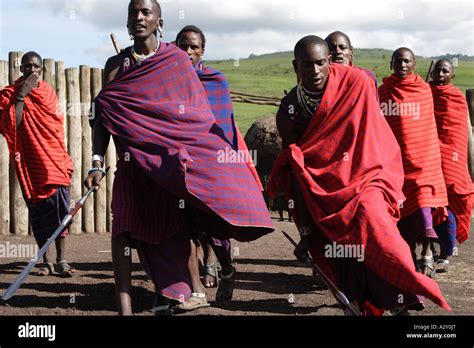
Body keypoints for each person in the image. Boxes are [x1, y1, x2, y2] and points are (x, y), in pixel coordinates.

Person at [85, 0, 273, 316]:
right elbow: (104, 114)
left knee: (174, 231)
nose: (139, 17)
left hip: (167, 167)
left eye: (146, 12)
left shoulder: (174, 61)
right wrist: (96, 162)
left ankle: (183, 292)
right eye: (134, 12)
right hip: (131, 165)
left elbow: (196, 120)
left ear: (160, 21)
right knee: (123, 232)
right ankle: (124, 310)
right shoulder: (115, 65)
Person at [268, 35, 450, 315]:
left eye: (320, 63)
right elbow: (297, 169)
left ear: (329, 62)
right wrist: (304, 231)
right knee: (343, 252)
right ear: (296, 65)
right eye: (307, 65)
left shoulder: (356, 83)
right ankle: (361, 305)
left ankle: (405, 291)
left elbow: (373, 132)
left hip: (367, 175)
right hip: (323, 190)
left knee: (373, 221)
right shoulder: (290, 111)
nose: (314, 71)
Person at [175, 24, 262, 307]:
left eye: (194, 47)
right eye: (182, 46)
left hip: (213, 165)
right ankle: (196, 289)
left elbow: (224, 129)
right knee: (185, 226)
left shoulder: (216, 81)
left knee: (217, 230)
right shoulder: (166, 81)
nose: (187, 52)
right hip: (180, 165)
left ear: (202, 51)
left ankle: (227, 270)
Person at [0, 51, 75, 277]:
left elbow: (55, 127)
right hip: (30, 163)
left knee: (62, 209)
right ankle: (46, 261)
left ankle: (62, 260)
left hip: (54, 159)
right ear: (20, 69)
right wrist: (21, 96)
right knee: (39, 212)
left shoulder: (48, 94)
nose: (31, 70)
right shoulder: (10, 94)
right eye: (27, 66)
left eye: (35, 67)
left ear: (41, 69)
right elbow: (13, 125)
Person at [378, 48, 449, 276]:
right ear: (391, 63)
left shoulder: (423, 90)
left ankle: (428, 253)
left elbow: (426, 127)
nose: (402, 64)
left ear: (414, 64)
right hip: (396, 163)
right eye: (397, 61)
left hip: (424, 159)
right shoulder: (382, 92)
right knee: (401, 211)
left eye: (406, 61)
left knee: (424, 204)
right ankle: (407, 260)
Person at [429, 59, 474, 272]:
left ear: (452, 76)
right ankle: (428, 250)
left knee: (450, 202)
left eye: (445, 70)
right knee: (426, 203)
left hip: (450, 160)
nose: (439, 73)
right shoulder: (423, 93)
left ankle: (446, 253)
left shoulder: (456, 98)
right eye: (437, 69)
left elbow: (458, 134)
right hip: (427, 156)